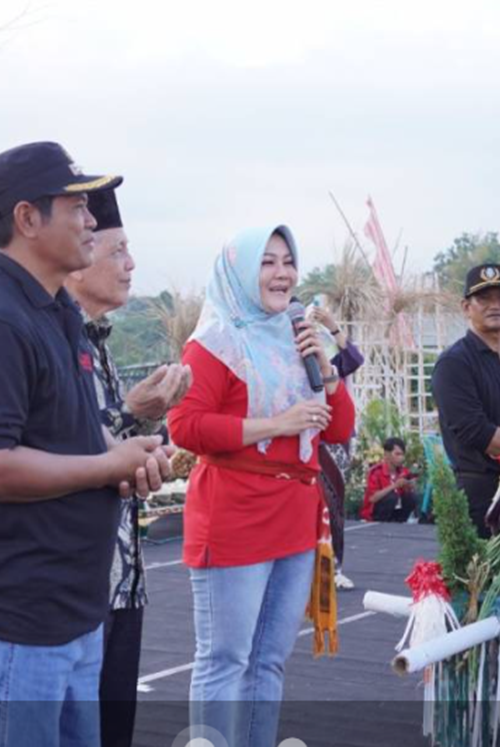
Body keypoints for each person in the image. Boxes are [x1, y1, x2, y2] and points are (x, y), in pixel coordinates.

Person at [0, 141, 172, 747]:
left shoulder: (57, 311)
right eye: (77, 207)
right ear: (28, 219)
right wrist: (102, 465)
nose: (92, 220)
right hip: (15, 615)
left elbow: (73, 437)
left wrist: (127, 455)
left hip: (68, 610)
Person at [168, 226, 356, 747]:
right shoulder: (214, 342)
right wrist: (278, 425)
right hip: (235, 515)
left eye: (288, 262)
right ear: (241, 273)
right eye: (267, 263)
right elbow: (185, 427)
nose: (282, 274)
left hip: (295, 516)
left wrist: (328, 370)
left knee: (269, 661)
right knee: (226, 659)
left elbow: (337, 429)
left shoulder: (295, 337)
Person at [65, 187, 192, 747]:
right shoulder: (48, 339)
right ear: (78, 258)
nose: (130, 263)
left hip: (123, 580)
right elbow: (64, 448)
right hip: (74, 583)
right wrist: (131, 414)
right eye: (116, 250)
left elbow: (108, 447)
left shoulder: (99, 341)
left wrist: (149, 439)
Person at [432, 263, 500, 538]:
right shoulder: (454, 363)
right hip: (480, 497)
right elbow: (474, 428)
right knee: (483, 577)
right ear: (466, 307)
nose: (494, 306)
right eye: (483, 299)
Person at [308, 301, 364, 589]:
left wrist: (331, 326)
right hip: (306, 433)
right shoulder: (294, 358)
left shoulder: (332, 358)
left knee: (333, 502)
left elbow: (355, 358)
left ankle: (335, 565)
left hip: (336, 436)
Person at [360, 437, 418, 522]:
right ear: (387, 454)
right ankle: (380, 524)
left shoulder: (403, 471)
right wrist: (394, 486)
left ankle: (400, 522)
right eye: (397, 454)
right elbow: (372, 498)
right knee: (391, 497)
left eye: (402, 454)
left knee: (412, 497)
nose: (401, 458)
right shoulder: (376, 472)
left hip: (395, 512)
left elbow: (410, 491)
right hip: (376, 514)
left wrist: (409, 484)